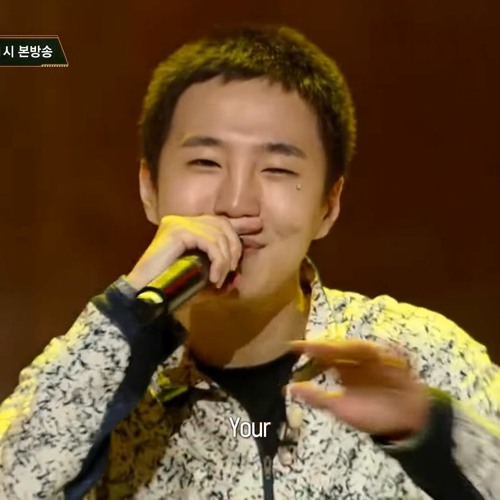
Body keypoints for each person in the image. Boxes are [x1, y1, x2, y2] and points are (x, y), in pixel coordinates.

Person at [0, 25, 498, 500]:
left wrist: (430, 434)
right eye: (205, 162)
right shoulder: (102, 380)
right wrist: (128, 315)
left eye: (277, 169)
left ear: (329, 205)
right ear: (149, 189)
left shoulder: (419, 353)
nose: (236, 203)